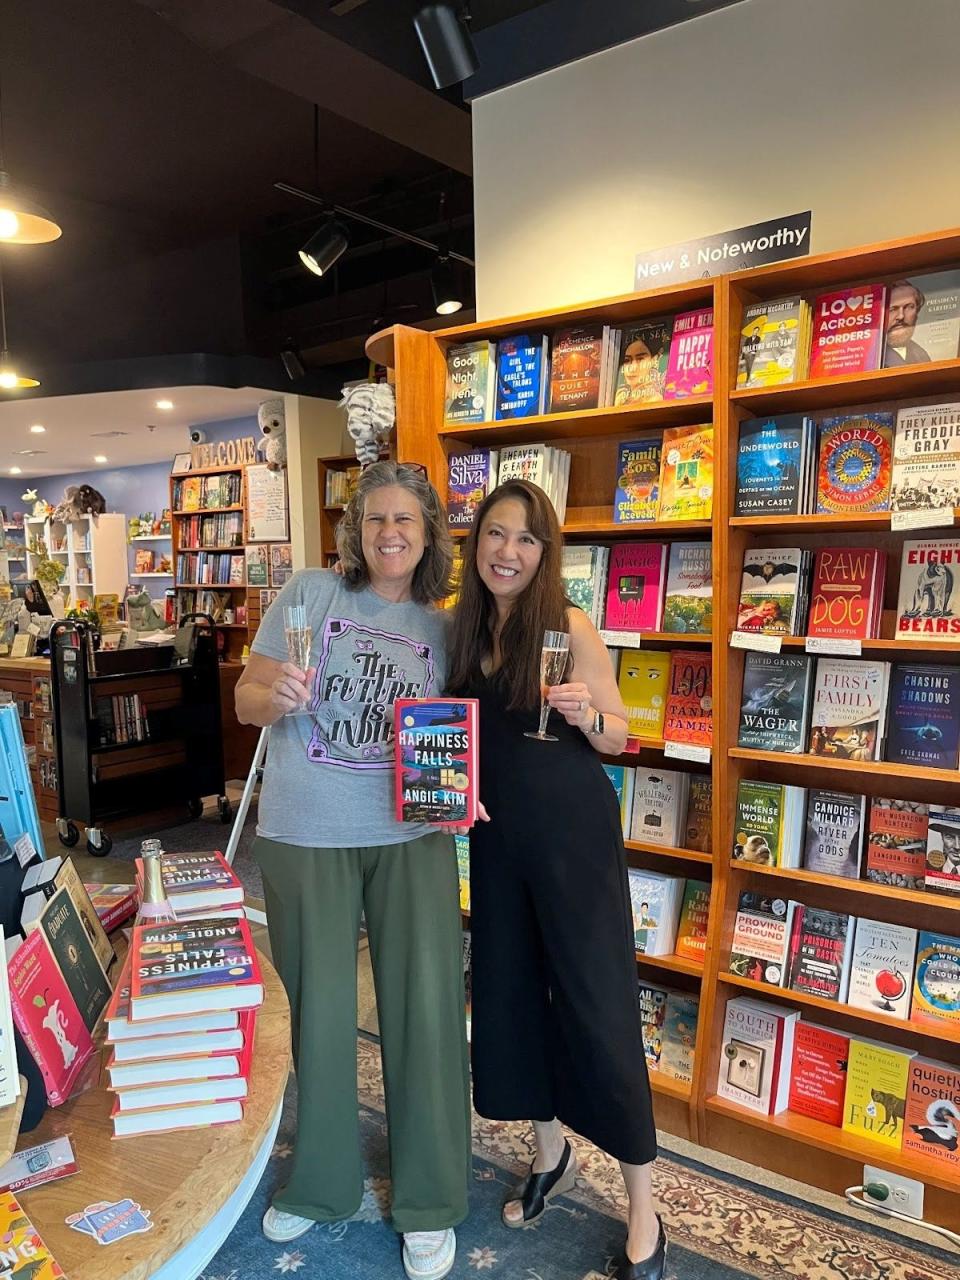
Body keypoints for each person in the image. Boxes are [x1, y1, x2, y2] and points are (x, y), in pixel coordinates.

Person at [236, 460, 471, 1280]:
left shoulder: (448, 628)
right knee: (322, 1014)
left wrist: (467, 787)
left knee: (426, 1014)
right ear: (355, 529)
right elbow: (246, 697)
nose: (390, 534)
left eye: (406, 520)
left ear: (428, 532)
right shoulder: (308, 593)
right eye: (375, 519)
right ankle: (324, 1184)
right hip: (305, 833)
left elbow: (466, 734)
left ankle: (431, 1201)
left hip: (413, 838)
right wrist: (278, 699)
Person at [446, 479, 666, 1280]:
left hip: (572, 841)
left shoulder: (569, 626)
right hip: (497, 845)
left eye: (526, 539)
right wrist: (451, 781)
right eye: (496, 535)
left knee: (596, 1004)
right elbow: (450, 734)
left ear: (546, 552)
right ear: (477, 545)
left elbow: (619, 737)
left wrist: (585, 713)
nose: (508, 551)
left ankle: (644, 1206)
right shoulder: (460, 629)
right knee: (506, 998)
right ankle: (551, 1155)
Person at [883, 279, 931, 366]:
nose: (901, 316)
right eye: (892, 309)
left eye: (909, 307)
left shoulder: (922, 355)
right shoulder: (872, 358)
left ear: (917, 312)